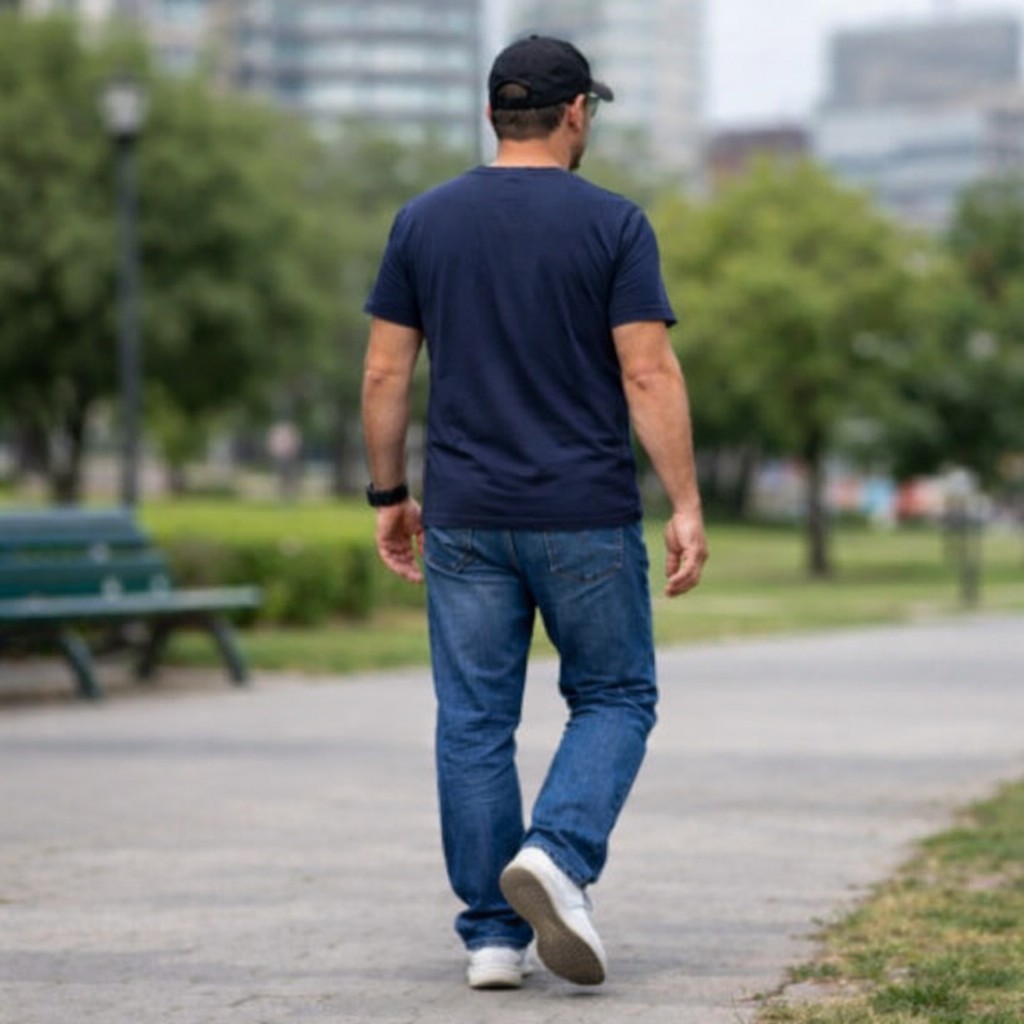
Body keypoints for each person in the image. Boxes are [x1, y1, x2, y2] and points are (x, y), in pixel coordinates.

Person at [361, 34, 708, 991]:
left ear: (491, 115)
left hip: (467, 517)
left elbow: (387, 370)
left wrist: (390, 495)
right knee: (615, 695)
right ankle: (556, 853)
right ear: (574, 114)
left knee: (473, 719)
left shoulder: (422, 222)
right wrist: (684, 502)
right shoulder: (615, 224)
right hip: (585, 513)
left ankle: (491, 940)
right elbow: (647, 369)